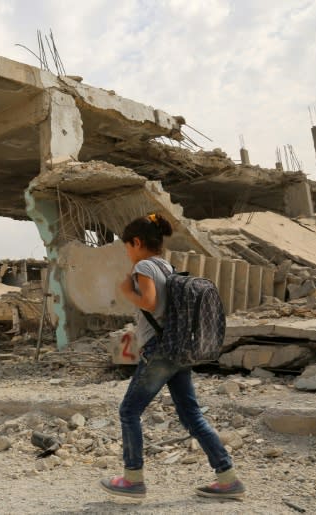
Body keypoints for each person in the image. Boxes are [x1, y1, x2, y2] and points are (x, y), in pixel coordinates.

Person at [100, 212, 245, 500]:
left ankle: (132, 479)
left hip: (160, 351)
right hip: (179, 349)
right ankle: (227, 478)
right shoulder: (167, 266)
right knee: (191, 415)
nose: (127, 252)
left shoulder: (143, 266)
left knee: (129, 411)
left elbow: (151, 303)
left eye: (127, 246)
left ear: (137, 242)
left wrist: (128, 291)